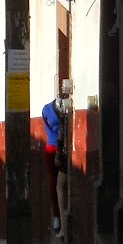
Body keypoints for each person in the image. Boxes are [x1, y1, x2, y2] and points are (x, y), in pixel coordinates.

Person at [41, 87, 69, 234]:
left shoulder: (46, 110)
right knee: (56, 183)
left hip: (52, 147)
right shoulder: (60, 111)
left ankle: (57, 216)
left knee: (54, 182)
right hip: (57, 149)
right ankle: (59, 217)